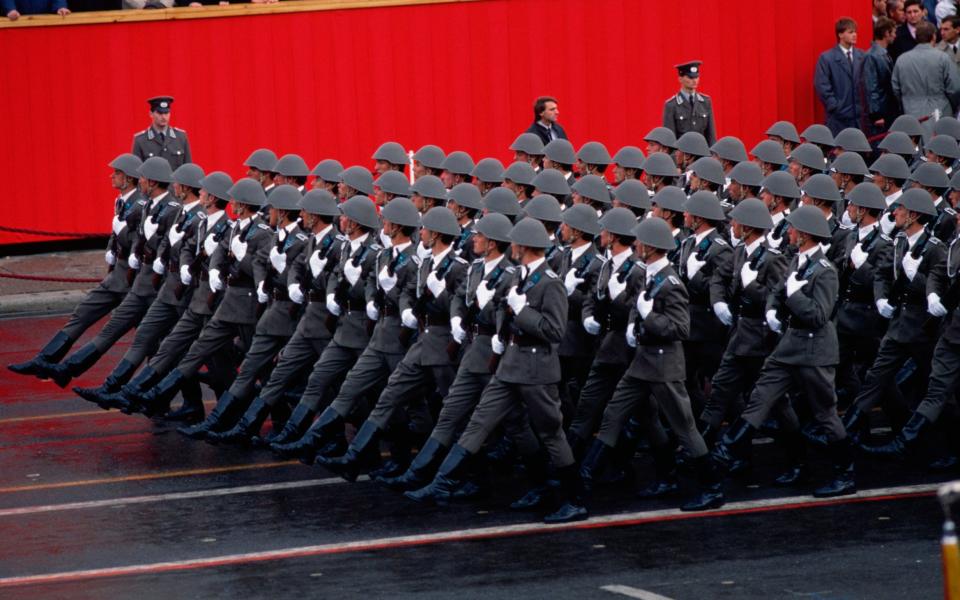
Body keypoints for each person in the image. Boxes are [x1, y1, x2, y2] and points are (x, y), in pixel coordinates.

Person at [7, 154, 143, 377]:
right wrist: (111, 247)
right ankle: (44, 360)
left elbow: (138, 243)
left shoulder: (139, 205)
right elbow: (116, 234)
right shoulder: (122, 200)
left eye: (117, 173)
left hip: (133, 281)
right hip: (115, 277)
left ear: (128, 177)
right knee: (82, 313)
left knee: (149, 340)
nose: (112, 176)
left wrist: (121, 233)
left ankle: (169, 394)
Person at [892, 20, 959, 118]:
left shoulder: (902, 59)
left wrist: (905, 103)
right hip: (940, 110)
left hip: (911, 112)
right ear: (933, 36)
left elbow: (896, 89)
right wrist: (952, 106)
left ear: (916, 37)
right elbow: (954, 88)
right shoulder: (943, 57)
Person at [814, 18, 866, 135]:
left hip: (859, 118)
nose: (854, 35)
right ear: (840, 34)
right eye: (850, 32)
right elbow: (822, 85)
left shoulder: (862, 56)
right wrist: (835, 106)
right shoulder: (827, 58)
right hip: (838, 119)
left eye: (855, 32)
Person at [662, 61, 717, 146]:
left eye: (696, 77)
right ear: (680, 79)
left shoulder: (705, 102)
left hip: (702, 156)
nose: (694, 81)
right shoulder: (671, 105)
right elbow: (669, 139)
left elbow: (711, 136)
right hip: (682, 156)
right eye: (690, 78)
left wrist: (712, 157)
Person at [132, 96, 192, 169]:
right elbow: (136, 172)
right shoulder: (141, 140)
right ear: (151, 114)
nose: (164, 117)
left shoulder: (181, 137)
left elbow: (188, 169)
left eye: (166, 113)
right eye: (159, 113)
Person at [865, 17, 901, 136]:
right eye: (894, 32)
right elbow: (871, 87)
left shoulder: (882, 54)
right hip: (880, 115)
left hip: (887, 112)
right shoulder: (873, 56)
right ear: (887, 33)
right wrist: (876, 115)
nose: (895, 36)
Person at [3, 0, 69, 19]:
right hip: (18, 21)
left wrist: (60, 7)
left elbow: (59, 1)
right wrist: (11, 9)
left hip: (45, 23)